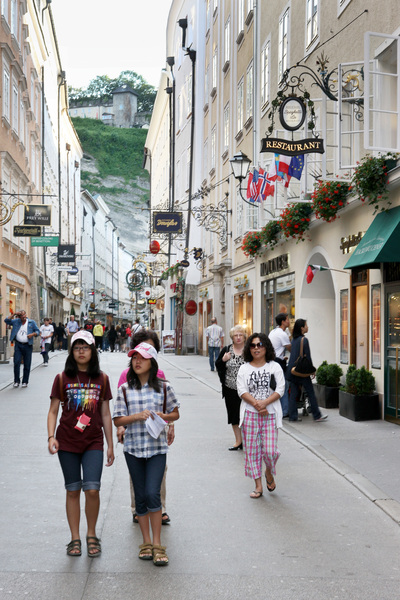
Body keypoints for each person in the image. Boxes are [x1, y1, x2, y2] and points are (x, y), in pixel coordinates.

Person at [47, 330, 114, 557]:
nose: (81, 352)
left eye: (85, 347)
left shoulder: (102, 379)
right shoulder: (62, 378)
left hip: (93, 441)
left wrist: (110, 445)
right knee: (73, 490)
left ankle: (91, 534)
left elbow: (105, 414)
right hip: (66, 441)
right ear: (71, 352)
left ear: (93, 351)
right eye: (77, 348)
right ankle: (75, 538)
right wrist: (51, 437)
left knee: (92, 490)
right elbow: (53, 411)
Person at [113, 342, 180, 566]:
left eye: (142, 358)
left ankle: (159, 545)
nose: (137, 361)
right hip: (132, 449)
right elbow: (118, 420)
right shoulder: (125, 389)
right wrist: (136, 417)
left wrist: (164, 416)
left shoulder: (164, 387)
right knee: (140, 496)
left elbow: (176, 413)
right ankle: (146, 543)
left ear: (152, 362)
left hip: (157, 449)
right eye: (134, 358)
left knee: (153, 493)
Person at [117, 329, 174, 525]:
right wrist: (121, 427)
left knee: (159, 473)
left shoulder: (161, 377)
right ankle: (137, 508)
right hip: (135, 434)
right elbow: (120, 409)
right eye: (138, 352)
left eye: (149, 349)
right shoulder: (127, 376)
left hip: (156, 434)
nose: (141, 357)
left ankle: (161, 507)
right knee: (138, 477)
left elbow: (168, 406)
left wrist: (170, 423)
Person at [237, 333, 285, 499]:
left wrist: (264, 404)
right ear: (249, 349)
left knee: (270, 452)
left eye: (260, 345)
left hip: (270, 414)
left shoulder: (274, 367)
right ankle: (258, 486)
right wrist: (257, 405)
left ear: (266, 347)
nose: (256, 348)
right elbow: (241, 390)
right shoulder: (244, 368)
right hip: (250, 414)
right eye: (253, 345)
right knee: (252, 451)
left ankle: (269, 472)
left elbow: (280, 389)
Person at [286, 319, 328, 423]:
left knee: (294, 393)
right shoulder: (304, 340)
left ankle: (293, 416)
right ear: (302, 328)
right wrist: (312, 370)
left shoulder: (294, 340)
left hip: (293, 370)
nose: (307, 327)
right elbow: (307, 357)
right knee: (310, 392)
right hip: (302, 371)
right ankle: (317, 415)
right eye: (306, 325)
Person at [215, 325, 246, 451]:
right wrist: (223, 360)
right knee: (234, 415)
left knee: (247, 415)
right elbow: (218, 365)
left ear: (244, 336)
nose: (238, 338)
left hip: (247, 390)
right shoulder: (227, 349)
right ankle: (238, 441)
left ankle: (247, 439)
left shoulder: (249, 350)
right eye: (235, 335)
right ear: (232, 337)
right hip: (230, 388)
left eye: (240, 335)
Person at [4, 310, 40, 388]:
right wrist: (13, 314)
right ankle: (16, 381)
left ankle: (25, 381)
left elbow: (38, 331)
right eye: (21, 316)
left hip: (28, 345)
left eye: (24, 315)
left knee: (27, 364)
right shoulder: (16, 321)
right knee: (16, 362)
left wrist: (33, 334)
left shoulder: (31, 322)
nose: (23, 317)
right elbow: (6, 320)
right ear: (19, 317)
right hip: (18, 345)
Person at [269, 313, 292, 418]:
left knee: (276, 385)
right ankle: (285, 410)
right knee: (284, 385)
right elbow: (290, 348)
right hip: (278, 362)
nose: (289, 321)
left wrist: (283, 357)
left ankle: (278, 408)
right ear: (283, 321)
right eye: (288, 319)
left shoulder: (273, 331)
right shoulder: (282, 334)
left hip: (273, 360)